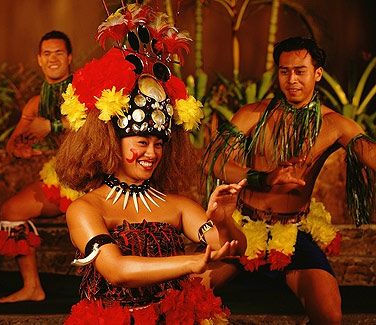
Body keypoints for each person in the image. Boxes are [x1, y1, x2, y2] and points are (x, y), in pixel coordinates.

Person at [54, 4, 246, 323]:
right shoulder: (86, 209)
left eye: (159, 144)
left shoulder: (178, 205)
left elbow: (231, 251)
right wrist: (189, 264)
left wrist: (224, 221)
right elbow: (116, 271)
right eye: (142, 143)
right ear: (110, 142)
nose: (152, 153)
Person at [204, 36, 376, 325]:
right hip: (241, 231)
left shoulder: (334, 124)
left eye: (300, 71)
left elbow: (369, 154)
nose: (291, 79)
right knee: (189, 290)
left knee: (330, 314)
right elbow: (213, 161)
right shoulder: (253, 114)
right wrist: (264, 178)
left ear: (318, 73)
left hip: (293, 233)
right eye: (284, 71)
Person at [0, 30, 80, 303]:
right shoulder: (37, 103)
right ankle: (32, 287)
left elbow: (93, 124)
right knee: (12, 211)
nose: (53, 59)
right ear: (39, 60)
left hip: (92, 179)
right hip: (62, 177)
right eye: (47, 54)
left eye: (59, 53)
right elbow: (13, 142)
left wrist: (50, 125)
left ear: (69, 57)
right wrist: (19, 147)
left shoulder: (85, 89)